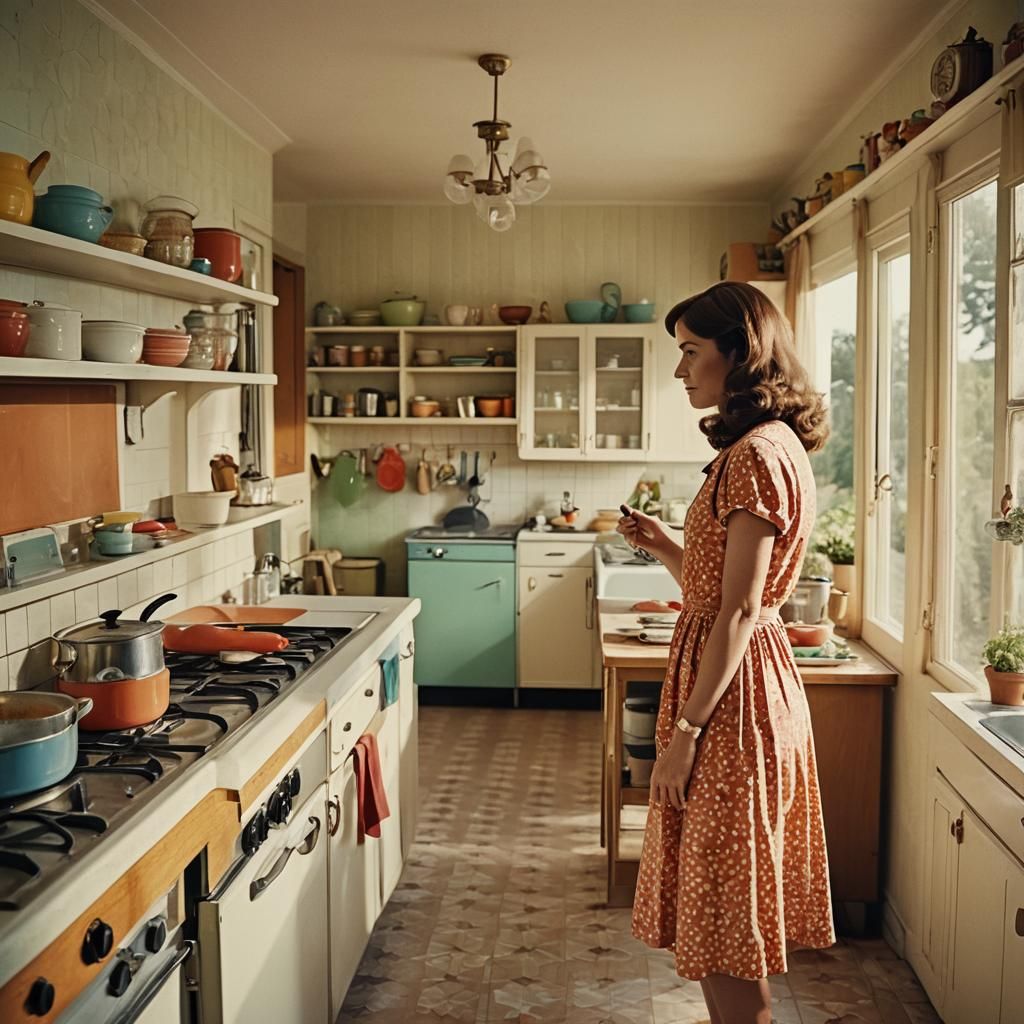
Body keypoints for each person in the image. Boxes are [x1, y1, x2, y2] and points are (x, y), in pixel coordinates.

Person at [618, 282, 836, 1024]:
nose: (680, 370)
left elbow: (743, 610)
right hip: (739, 685)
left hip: (733, 705)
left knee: (725, 910)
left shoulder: (754, 456)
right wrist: (665, 547)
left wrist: (685, 734)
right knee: (722, 910)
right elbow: (726, 591)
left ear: (739, 354)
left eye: (689, 352)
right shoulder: (770, 447)